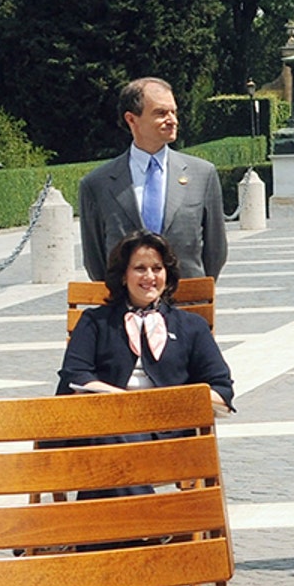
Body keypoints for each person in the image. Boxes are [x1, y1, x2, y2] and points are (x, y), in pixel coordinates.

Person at [59, 230, 232, 411]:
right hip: (110, 416)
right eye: (140, 268)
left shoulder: (192, 325)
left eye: (157, 268)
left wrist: (173, 402)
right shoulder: (95, 322)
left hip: (172, 419)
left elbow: (221, 388)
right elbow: (75, 375)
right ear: (123, 275)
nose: (149, 276)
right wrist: (128, 401)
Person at [79, 78, 228, 284]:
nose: (172, 120)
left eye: (173, 112)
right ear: (132, 119)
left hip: (187, 299)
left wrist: (195, 292)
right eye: (161, 113)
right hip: (125, 302)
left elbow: (216, 250)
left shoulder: (202, 175)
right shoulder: (97, 184)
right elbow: (95, 260)